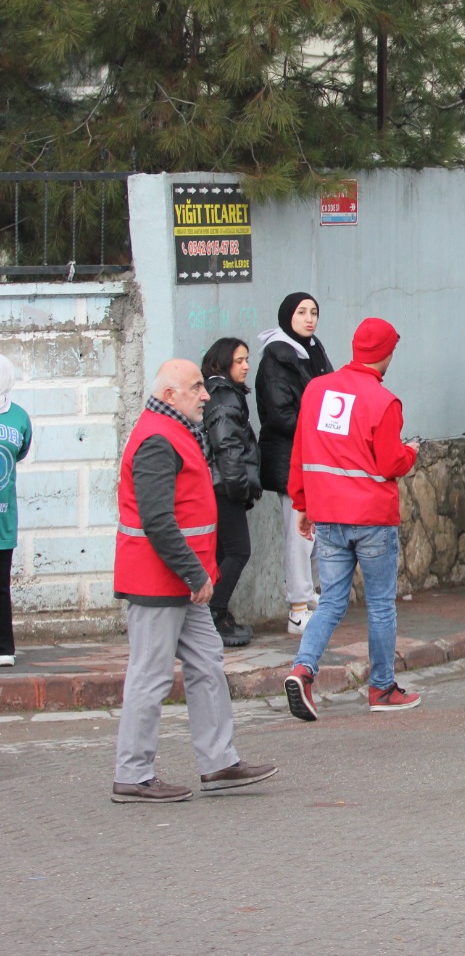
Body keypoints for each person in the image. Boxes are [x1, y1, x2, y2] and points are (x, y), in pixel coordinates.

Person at [112, 359, 277, 802]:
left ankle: (220, 763)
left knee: (207, 664)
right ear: (170, 395)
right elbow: (157, 520)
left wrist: (196, 574)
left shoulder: (172, 430)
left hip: (180, 581)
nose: (205, 395)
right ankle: (132, 774)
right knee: (150, 677)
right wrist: (194, 572)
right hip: (159, 581)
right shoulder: (156, 440)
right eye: (195, 388)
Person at [282, 318, 422, 721]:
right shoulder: (385, 402)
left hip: (328, 515)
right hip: (372, 517)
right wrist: (410, 452)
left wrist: (302, 503)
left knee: (329, 603)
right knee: (380, 606)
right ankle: (382, 688)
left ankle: (303, 669)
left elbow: (302, 450)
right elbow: (390, 462)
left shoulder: (316, 389)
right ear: (388, 354)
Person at [255, 292, 333, 634]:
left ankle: (311, 596)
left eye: (313, 312)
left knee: (314, 532)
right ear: (288, 315)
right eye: (301, 312)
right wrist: (319, 426)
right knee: (297, 533)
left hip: (314, 454)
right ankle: (298, 609)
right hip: (290, 458)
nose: (309, 318)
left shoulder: (313, 349)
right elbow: (279, 414)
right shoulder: (278, 356)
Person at [200, 337, 262, 648]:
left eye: (247, 359)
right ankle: (214, 614)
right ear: (222, 362)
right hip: (224, 486)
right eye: (239, 360)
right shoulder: (223, 395)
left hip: (220, 484)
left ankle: (214, 615)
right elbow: (227, 446)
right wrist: (240, 487)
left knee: (223, 553)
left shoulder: (220, 392)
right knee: (238, 551)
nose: (246, 366)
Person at [0, 355, 30, 667]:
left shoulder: (18, 417)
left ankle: (4, 648)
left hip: (3, 517)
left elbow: (20, 450)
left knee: (1, 586)